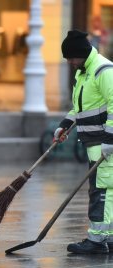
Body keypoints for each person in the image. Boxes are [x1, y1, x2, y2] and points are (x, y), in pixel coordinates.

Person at [54, 29, 113, 254]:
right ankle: (108, 237)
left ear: (80, 53)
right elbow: (80, 108)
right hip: (94, 143)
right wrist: (64, 125)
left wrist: (110, 139)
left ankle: (96, 241)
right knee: (106, 191)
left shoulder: (103, 70)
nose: (69, 62)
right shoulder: (84, 72)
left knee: (101, 191)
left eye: (70, 58)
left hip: (104, 143)